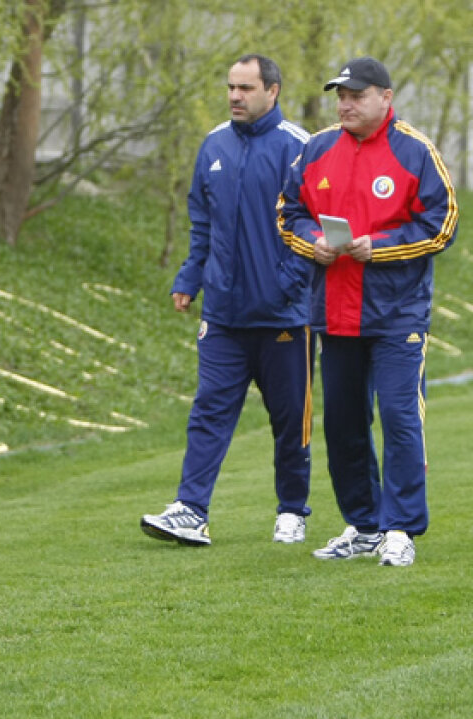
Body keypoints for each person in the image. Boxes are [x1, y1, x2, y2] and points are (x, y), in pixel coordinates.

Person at [279, 57, 459, 567]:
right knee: (342, 424)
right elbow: (287, 212)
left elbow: (441, 224)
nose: (345, 104)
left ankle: (400, 529)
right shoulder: (316, 149)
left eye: (356, 95)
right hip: (333, 315)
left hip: (397, 316)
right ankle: (362, 524)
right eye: (340, 95)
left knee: (400, 419)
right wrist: (313, 241)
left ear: (385, 96)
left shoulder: (416, 151)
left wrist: (376, 247)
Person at [140, 54, 311, 548]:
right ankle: (191, 511)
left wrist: (288, 285)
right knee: (209, 412)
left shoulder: (299, 148)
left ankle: (292, 510)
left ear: (272, 91)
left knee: (289, 421)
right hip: (223, 316)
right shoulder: (214, 144)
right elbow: (204, 223)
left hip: (283, 318)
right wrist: (191, 276)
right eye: (231, 87)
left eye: (246, 88)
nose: (235, 96)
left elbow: (309, 228)